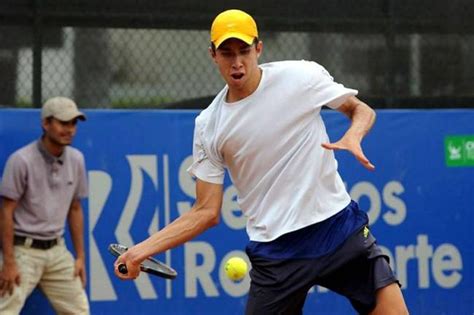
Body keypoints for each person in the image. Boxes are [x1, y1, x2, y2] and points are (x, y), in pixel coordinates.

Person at [114, 9, 409, 315]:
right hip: (277, 254)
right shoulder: (209, 125)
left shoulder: (301, 77)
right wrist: (139, 252)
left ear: (258, 48)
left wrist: (354, 135)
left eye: (243, 50)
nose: (237, 62)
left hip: (337, 228)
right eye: (227, 53)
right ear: (213, 55)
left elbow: (360, 110)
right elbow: (205, 211)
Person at [0, 97, 90, 314]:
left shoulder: (77, 159)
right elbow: (6, 211)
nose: (69, 129)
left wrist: (80, 257)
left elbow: (75, 209)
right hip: (23, 252)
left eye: (73, 124)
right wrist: (9, 262)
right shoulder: (21, 160)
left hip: (58, 251)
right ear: (46, 123)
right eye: (63, 123)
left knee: (80, 311)